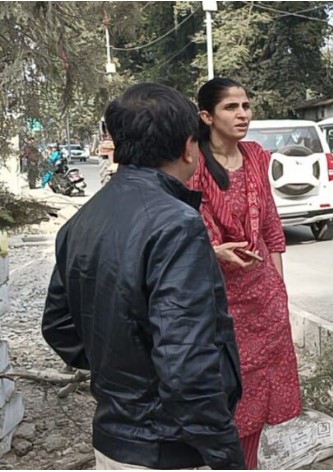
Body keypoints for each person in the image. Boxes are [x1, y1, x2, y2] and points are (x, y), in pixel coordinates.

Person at [42, 83, 245, 470]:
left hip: (115, 439)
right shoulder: (178, 224)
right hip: (167, 448)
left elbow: (59, 326)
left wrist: (121, 369)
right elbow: (187, 367)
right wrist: (226, 456)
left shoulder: (83, 219)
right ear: (189, 148)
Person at [188, 77, 301, 469]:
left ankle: (246, 465)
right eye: (230, 107)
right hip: (217, 298)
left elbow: (271, 227)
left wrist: (278, 290)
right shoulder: (194, 163)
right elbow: (181, 231)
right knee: (224, 390)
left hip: (263, 299)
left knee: (259, 394)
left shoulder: (255, 156)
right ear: (206, 116)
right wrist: (213, 250)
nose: (242, 114)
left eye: (246, 106)